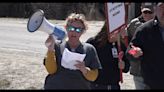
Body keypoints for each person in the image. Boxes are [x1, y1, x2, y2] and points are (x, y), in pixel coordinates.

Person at [43, 13, 102, 89]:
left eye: (78, 30)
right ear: (66, 28)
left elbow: (94, 77)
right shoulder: (56, 45)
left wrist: (85, 70)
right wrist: (50, 49)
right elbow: (51, 70)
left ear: (83, 31)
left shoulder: (89, 49)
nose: (74, 32)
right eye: (71, 28)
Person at [126, 3, 164, 89]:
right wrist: (135, 52)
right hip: (152, 84)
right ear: (156, 9)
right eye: (162, 7)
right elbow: (129, 51)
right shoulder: (144, 29)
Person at [86, 22, 130, 90]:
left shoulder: (120, 45)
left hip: (114, 86)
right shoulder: (93, 42)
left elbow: (127, 66)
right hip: (96, 85)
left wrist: (124, 65)